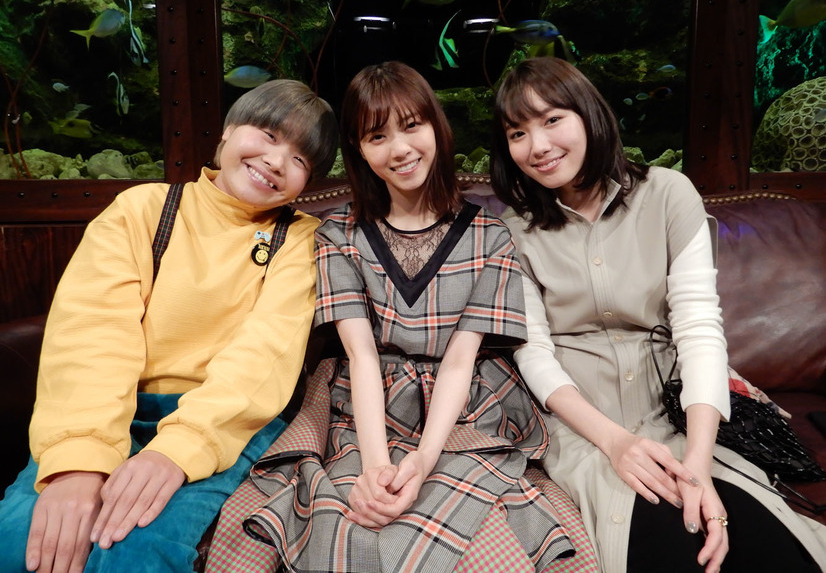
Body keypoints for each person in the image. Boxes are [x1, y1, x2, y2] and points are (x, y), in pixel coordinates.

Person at [205, 60, 582, 573]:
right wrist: (376, 465)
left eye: (411, 126)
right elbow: (360, 356)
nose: (400, 149)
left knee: (478, 537)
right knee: (348, 522)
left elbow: (459, 361)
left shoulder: (489, 235)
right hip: (363, 408)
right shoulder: (338, 235)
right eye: (377, 136)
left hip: (466, 407)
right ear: (359, 149)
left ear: (436, 127)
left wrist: (423, 460)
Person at [489, 56, 826, 573]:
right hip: (586, 423)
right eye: (518, 133)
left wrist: (697, 465)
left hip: (674, 409)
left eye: (552, 119)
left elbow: (699, 329)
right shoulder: (513, 231)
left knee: (764, 547)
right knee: (665, 547)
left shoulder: (668, 193)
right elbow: (534, 353)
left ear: (589, 114)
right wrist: (616, 444)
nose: (537, 146)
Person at [0, 79, 338, 573]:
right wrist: (80, 461)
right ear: (227, 131)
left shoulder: (301, 240)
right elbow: (91, 333)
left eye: (300, 159)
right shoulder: (143, 209)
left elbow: (263, 357)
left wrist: (179, 451)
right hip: (113, 407)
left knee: (135, 551)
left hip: (224, 423)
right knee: (21, 542)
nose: (276, 161)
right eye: (268, 135)